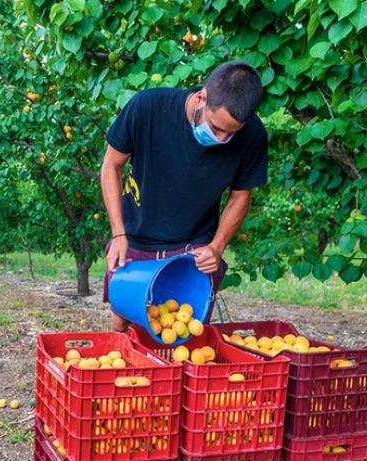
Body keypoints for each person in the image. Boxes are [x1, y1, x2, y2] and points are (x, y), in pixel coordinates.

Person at [100, 60, 268, 332]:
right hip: (136, 236)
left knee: (186, 325)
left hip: (194, 244)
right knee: (123, 320)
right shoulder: (148, 107)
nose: (222, 138)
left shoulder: (252, 135)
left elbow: (240, 196)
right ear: (202, 97)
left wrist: (217, 246)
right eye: (216, 127)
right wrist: (119, 234)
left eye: (231, 133)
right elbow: (111, 165)